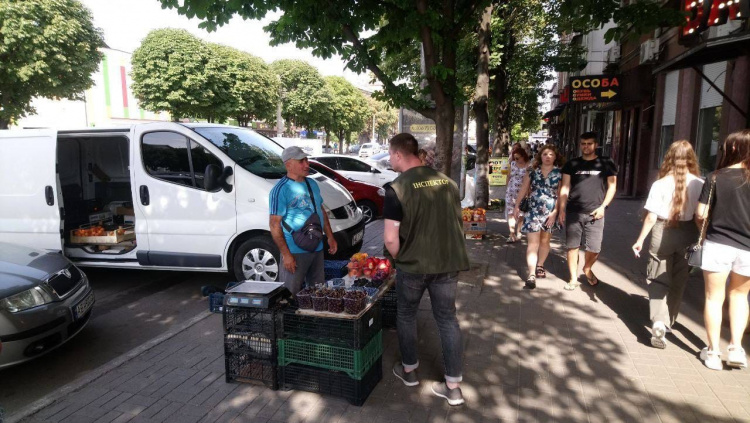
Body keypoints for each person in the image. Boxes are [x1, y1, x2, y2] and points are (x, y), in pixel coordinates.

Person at [383, 133, 470, 406]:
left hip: (413, 266)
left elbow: (389, 239)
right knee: (447, 319)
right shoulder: (448, 183)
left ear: (398, 154)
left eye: (390, 154)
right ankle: (453, 387)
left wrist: (402, 258)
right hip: (447, 263)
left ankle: (409, 371)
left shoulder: (396, 188)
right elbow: (456, 223)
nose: (389, 159)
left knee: (406, 315)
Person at [631, 141, 703, 349]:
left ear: (669, 157)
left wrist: (640, 240)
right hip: (689, 232)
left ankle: (659, 322)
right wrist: (702, 238)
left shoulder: (660, 184)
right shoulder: (700, 183)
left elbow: (652, 217)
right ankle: (669, 320)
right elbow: (700, 217)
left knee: (657, 277)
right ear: (691, 158)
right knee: (679, 279)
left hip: (663, 232)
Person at [696, 129, 750, 371]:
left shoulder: (715, 177)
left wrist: (704, 227)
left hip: (718, 243)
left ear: (734, 149)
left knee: (713, 298)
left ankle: (714, 353)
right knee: (740, 297)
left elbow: (701, 214)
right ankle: (737, 348)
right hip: (748, 248)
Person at [269, 146, 337, 295]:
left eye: (306, 160)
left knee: (318, 293)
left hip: (317, 247)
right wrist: (286, 255)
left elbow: (321, 211)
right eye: (301, 161)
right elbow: (274, 225)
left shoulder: (312, 184)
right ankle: (287, 319)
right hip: (294, 252)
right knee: (289, 294)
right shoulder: (280, 189)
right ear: (288, 164)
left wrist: (330, 237)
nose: (307, 164)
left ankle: (312, 319)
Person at [558, 132, 618, 290]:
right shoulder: (571, 164)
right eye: (583, 144)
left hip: (595, 211)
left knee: (594, 248)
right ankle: (573, 278)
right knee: (572, 246)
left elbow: (612, 187)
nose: (586, 147)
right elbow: (564, 187)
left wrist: (603, 207)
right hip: (573, 211)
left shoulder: (606, 163)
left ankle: (587, 268)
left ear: (596, 145)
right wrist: (562, 209)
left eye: (589, 144)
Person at [513, 145, 563, 289]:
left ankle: (540, 265)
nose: (547, 157)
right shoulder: (532, 171)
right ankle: (531, 274)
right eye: (545, 154)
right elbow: (523, 188)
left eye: (551, 154)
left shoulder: (559, 173)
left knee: (545, 241)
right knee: (533, 243)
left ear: (555, 157)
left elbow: (561, 194)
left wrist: (555, 212)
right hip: (533, 210)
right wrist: (517, 206)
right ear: (540, 156)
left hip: (550, 211)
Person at [505, 146, 531, 243]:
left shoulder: (529, 166)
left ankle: (518, 231)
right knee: (511, 213)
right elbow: (508, 176)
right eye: (515, 158)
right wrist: (507, 187)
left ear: (523, 156)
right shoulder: (512, 164)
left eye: (518, 157)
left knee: (521, 214)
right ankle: (511, 234)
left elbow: (531, 180)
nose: (516, 160)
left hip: (523, 193)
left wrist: (529, 191)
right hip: (511, 192)